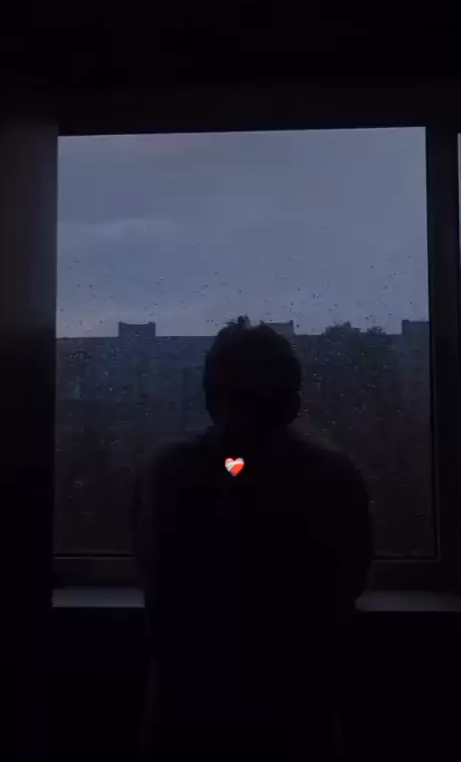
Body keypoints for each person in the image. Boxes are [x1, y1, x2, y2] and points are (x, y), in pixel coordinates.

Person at [133, 316, 373, 761]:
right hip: (298, 720)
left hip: (184, 717)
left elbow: (158, 584)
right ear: (293, 403)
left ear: (209, 398)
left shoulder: (165, 473)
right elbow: (348, 585)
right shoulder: (332, 479)